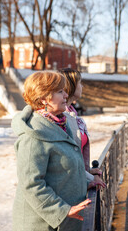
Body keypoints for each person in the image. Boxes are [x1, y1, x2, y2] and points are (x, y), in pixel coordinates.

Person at [11, 71, 100, 231]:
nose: (66, 94)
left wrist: (87, 182)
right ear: (44, 97)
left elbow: (62, 170)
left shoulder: (59, 124)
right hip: (41, 225)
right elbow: (31, 184)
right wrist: (62, 210)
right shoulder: (34, 134)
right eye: (60, 91)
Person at [58, 68, 106, 187]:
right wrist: (89, 179)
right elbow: (65, 163)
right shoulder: (61, 118)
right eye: (80, 83)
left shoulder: (73, 114)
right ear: (71, 86)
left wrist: (87, 170)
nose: (82, 86)